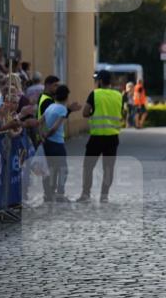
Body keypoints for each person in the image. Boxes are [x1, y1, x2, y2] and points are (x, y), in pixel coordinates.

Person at [78, 69, 123, 203]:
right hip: (112, 138)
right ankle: (104, 196)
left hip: (97, 138)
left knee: (88, 166)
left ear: (101, 81)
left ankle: (86, 194)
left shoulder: (95, 94)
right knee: (108, 168)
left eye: (97, 80)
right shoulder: (118, 95)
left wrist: (93, 113)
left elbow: (85, 112)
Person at [41, 84, 71, 202]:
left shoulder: (50, 106)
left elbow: (39, 122)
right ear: (66, 97)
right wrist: (48, 134)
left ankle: (48, 194)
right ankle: (60, 194)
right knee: (63, 169)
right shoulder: (62, 109)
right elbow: (55, 128)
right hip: (57, 144)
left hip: (47, 144)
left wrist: (42, 135)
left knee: (50, 169)